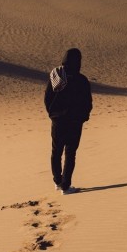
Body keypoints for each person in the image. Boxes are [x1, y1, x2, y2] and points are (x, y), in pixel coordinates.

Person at [44, 48, 92, 194]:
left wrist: (53, 114)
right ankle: (65, 186)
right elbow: (87, 102)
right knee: (70, 153)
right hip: (74, 122)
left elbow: (47, 99)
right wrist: (83, 117)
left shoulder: (56, 76)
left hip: (58, 121)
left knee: (56, 151)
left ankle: (58, 182)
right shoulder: (82, 80)